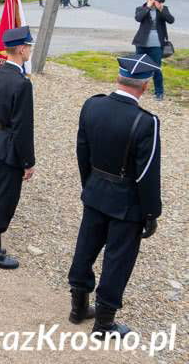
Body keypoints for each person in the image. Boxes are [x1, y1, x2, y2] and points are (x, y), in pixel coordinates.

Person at [68, 54, 162, 336]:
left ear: (118, 78)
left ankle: (78, 307)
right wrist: (151, 212)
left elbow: (82, 151)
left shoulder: (92, 105)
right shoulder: (146, 122)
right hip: (126, 201)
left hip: (95, 189)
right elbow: (147, 173)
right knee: (118, 258)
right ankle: (104, 322)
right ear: (145, 85)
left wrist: (91, 184)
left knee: (85, 247)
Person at [0, 26, 36, 270]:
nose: (30, 50)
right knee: (3, 198)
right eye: (29, 46)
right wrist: (28, 161)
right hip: (10, 145)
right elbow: (23, 127)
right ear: (22, 49)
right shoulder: (22, 83)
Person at [132, 0, 174, 100]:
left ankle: (159, 92)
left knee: (156, 68)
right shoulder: (140, 8)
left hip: (157, 44)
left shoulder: (163, 9)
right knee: (139, 67)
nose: (156, 0)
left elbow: (171, 20)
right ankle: (135, 90)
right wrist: (148, 6)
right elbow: (138, 18)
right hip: (142, 43)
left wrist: (161, 9)